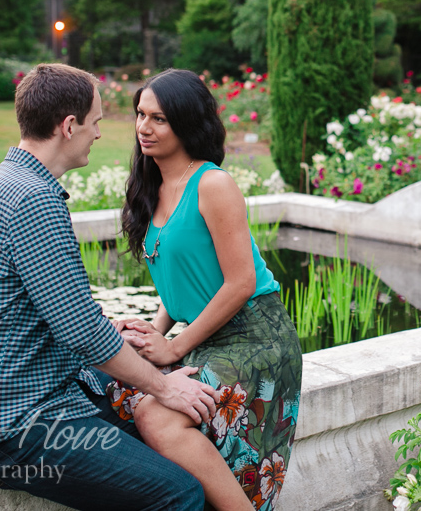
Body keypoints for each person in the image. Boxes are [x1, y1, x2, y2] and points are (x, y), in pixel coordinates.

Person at [0, 63, 223, 511]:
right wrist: (165, 388)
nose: (99, 134)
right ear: (68, 126)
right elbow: (80, 331)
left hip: (27, 401)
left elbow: (57, 316)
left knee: (169, 439)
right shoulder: (31, 200)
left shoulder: (15, 185)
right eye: (95, 123)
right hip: (11, 427)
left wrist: (116, 334)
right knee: (178, 492)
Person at [110, 69, 303, 511]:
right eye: (140, 115)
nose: (144, 127)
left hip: (255, 337)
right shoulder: (151, 187)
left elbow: (240, 284)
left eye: (158, 118)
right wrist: (154, 332)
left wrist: (174, 347)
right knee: (113, 379)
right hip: (206, 332)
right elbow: (180, 278)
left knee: (156, 416)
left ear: (186, 123)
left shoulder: (213, 184)